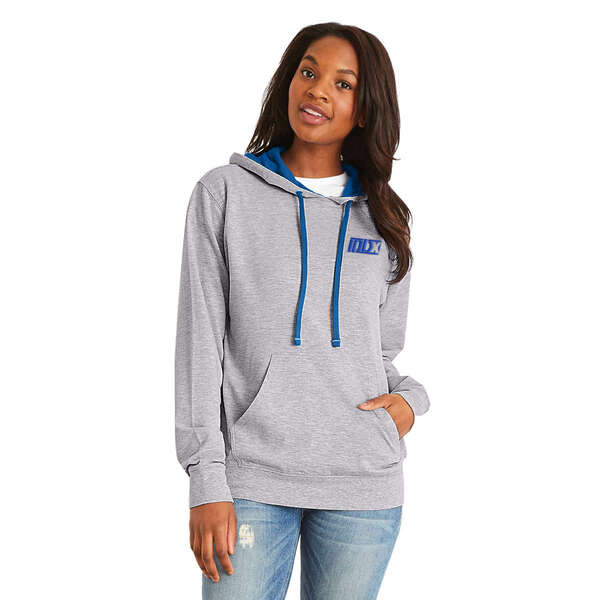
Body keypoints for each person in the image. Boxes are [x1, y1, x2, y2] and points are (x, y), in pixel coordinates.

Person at [175, 22, 431, 599]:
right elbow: (200, 344)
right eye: (309, 72)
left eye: (343, 83)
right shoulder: (224, 194)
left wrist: (410, 402)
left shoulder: (386, 218)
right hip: (251, 480)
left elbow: (379, 354)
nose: (318, 90)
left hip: (363, 487)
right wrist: (206, 479)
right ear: (287, 83)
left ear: (364, 110)